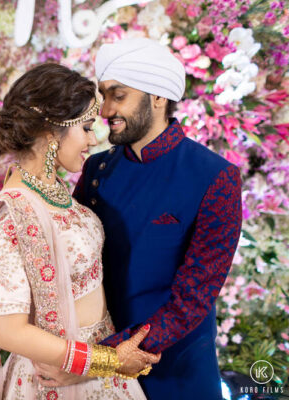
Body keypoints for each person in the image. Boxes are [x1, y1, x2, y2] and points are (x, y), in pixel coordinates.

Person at [34, 38, 242, 400]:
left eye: (119, 95)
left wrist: (99, 359)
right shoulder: (97, 169)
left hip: (174, 374)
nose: (105, 109)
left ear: (158, 97)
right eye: (104, 95)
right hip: (96, 375)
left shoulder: (215, 178)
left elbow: (191, 300)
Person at [0, 63, 161, 400]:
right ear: (52, 132)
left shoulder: (53, 190)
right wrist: (109, 360)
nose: (93, 138)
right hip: (58, 377)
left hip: (101, 368)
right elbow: (10, 332)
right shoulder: (14, 213)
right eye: (85, 127)